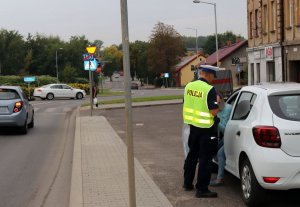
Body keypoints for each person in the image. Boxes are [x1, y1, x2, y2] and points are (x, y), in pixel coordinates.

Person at [182, 65, 220, 198]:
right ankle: (202, 189)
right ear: (208, 74)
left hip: (193, 127)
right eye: (213, 77)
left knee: (192, 155)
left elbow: (186, 103)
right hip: (206, 129)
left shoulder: (189, 86)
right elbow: (214, 111)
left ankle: (187, 183)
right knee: (205, 159)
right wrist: (218, 103)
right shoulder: (209, 89)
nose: (213, 80)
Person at [210, 103, 233, 186]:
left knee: (220, 153)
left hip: (231, 135)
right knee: (214, 148)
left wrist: (216, 121)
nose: (215, 104)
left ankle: (220, 179)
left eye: (218, 102)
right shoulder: (218, 109)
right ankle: (220, 166)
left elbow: (225, 130)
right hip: (226, 136)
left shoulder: (227, 109)